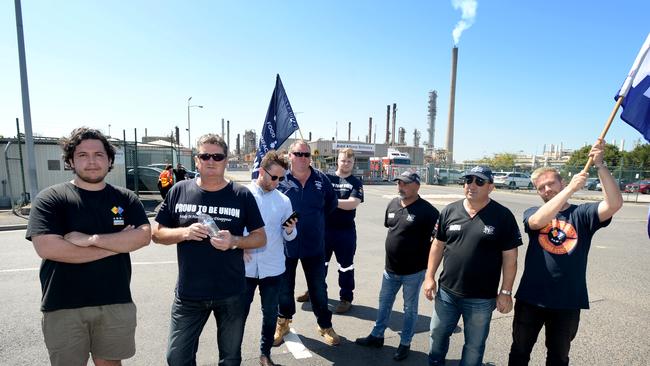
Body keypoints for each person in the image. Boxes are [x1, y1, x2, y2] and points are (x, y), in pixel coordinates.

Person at [26, 127, 151, 366]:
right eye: (83, 155)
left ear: (109, 159)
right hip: (63, 305)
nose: (92, 161)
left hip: (115, 300)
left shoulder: (126, 199)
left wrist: (91, 239)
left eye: (99, 155)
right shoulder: (51, 199)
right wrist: (117, 244)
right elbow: (48, 248)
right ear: (71, 161)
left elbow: (143, 237)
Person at [152, 134, 267, 366]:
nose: (211, 161)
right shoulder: (179, 190)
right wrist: (184, 233)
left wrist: (234, 240)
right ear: (197, 160)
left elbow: (260, 238)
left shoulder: (241, 195)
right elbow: (157, 233)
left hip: (231, 293)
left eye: (217, 156)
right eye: (205, 156)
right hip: (189, 294)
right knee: (177, 358)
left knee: (230, 358)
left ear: (225, 160)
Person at [508, 139, 623, 366]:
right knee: (520, 352)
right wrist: (571, 189)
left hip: (568, 300)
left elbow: (614, 204)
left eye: (551, 183)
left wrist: (600, 165)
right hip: (531, 298)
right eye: (541, 187)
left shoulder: (582, 214)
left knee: (558, 357)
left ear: (561, 181)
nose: (547, 189)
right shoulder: (534, 211)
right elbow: (537, 221)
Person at [424, 165, 522, 366]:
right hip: (447, 293)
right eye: (468, 180)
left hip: (481, 298)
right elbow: (437, 245)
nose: (472, 185)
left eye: (479, 181)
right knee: (437, 335)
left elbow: (510, 258)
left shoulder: (503, 216)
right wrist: (429, 276)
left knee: (474, 346)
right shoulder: (450, 210)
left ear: (491, 187)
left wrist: (505, 291)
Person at [355, 171, 439, 361]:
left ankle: (405, 343)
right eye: (399, 183)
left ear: (417, 186)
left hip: (414, 271)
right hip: (390, 269)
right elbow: (391, 228)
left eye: (406, 184)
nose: (401, 187)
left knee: (409, 308)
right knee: (384, 304)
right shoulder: (392, 203)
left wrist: (429, 273)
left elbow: (437, 241)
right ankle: (377, 336)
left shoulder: (428, 211)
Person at [273, 140, 340, 346]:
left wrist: (315, 223)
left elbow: (331, 204)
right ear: (290, 156)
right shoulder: (281, 178)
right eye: (298, 154)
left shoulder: (321, 179)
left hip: (314, 245)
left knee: (318, 288)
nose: (303, 158)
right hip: (285, 246)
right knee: (284, 288)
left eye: (306, 154)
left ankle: (325, 325)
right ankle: (283, 322)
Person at [243, 151, 298, 366]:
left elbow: (289, 236)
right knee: (238, 314)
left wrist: (292, 229)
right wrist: (239, 247)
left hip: (273, 267)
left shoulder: (284, 201)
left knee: (269, 315)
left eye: (281, 178)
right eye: (273, 177)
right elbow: (231, 228)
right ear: (261, 170)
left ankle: (265, 354)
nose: (276, 182)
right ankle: (232, 355)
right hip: (245, 267)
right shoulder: (243, 194)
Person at [296, 148, 364, 313]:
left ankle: (346, 298)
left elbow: (352, 203)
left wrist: (332, 200)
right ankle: (314, 292)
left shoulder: (356, 182)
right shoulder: (325, 178)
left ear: (353, 163)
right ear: (337, 161)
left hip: (345, 232)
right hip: (324, 229)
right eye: (343, 160)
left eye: (349, 161)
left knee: (345, 266)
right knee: (319, 264)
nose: (345, 164)